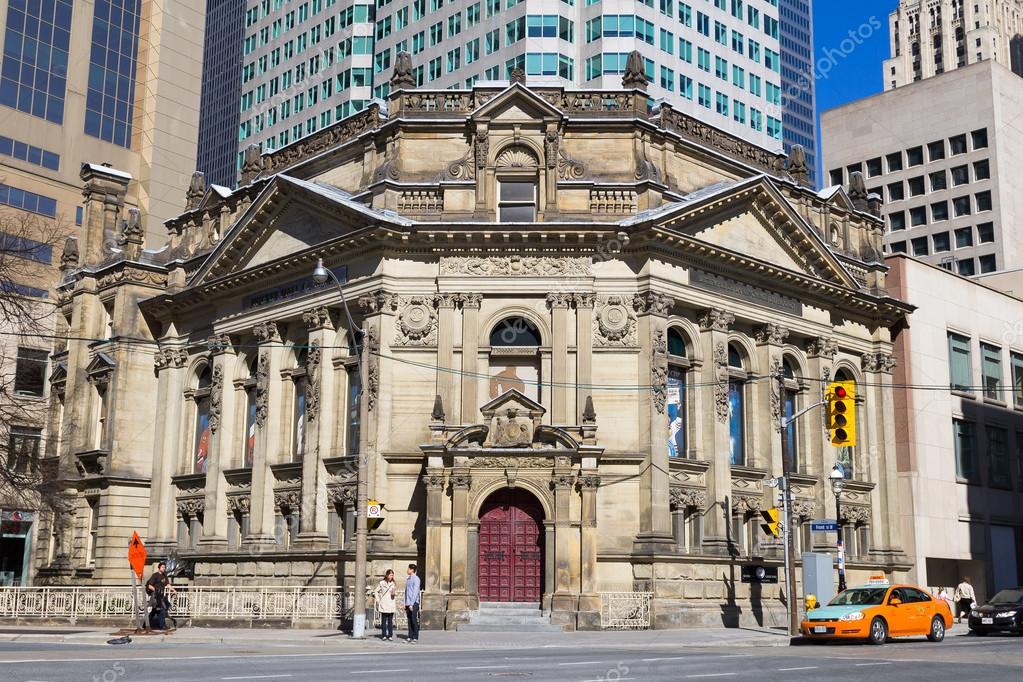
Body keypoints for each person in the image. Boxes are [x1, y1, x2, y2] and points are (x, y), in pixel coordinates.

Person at [145, 561, 175, 630]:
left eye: (165, 567)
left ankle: (146, 625)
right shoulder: (155, 575)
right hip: (155, 595)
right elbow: (149, 586)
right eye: (162, 567)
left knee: (155, 611)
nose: (164, 568)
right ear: (159, 568)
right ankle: (162, 626)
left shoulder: (164, 576)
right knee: (161, 609)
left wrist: (173, 590)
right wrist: (156, 591)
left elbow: (167, 584)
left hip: (160, 596)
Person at [374, 569, 397, 641]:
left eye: (392, 575)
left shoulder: (393, 583)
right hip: (384, 603)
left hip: (391, 603)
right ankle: (384, 635)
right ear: (387, 575)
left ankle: (390, 635)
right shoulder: (382, 583)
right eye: (390, 575)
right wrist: (378, 600)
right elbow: (376, 591)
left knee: (390, 621)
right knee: (383, 621)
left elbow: (395, 593)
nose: (391, 576)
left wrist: (394, 593)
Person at [404, 563, 421, 643]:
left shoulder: (416, 579)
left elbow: (415, 592)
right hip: (408, 603)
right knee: (409, 620)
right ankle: (410, 636)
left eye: (408, 569)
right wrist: (405, 603)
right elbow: (406, 592)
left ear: (412, 570)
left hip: (414, 603)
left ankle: (415, 637)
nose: (407, 570)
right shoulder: (408, 579)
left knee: (414, 620)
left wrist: (411, 603)